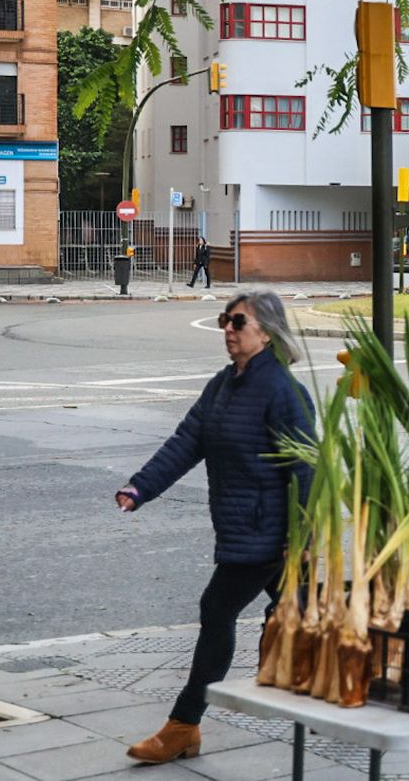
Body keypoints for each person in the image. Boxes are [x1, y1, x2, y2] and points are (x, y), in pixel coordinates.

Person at [116, 290, 314, 764]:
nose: (227, 328)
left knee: (217, 610)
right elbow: (186, 442)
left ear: (265, 332)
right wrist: (141, 488)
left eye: (238, 322)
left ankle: (183, 725)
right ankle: (360, 685)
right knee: (306, 615)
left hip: (266, 534)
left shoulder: (284, 391)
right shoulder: (223, 386)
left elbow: (307, 471)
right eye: (225, 320)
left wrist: (301, 540)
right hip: (241, 526)